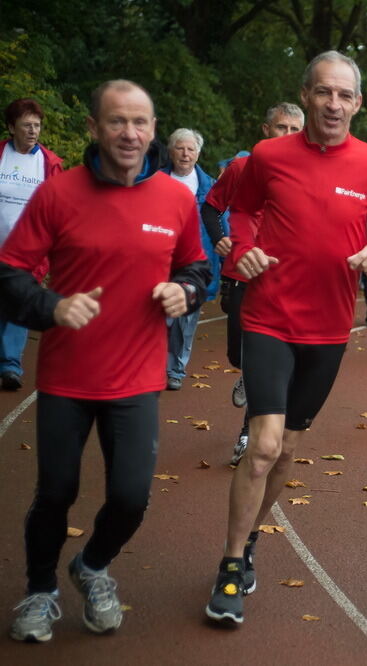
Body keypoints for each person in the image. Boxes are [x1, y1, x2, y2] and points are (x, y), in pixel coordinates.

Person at [0, 80, 209, 642]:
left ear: (153, 129)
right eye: (117, 121)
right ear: (94, 128)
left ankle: (91, 566)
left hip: (137, 377)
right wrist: (51, 306)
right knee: (56, 491)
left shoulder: (175, 198)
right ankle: (40, 589)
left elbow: (198, 268)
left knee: (131, 496)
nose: (130, 133)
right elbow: (9, 274)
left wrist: (185, 293)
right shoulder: (58, 194)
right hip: (68, 377)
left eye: (141, 122)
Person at [204, 50, 367, 625]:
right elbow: (238, 213)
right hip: (268, 316)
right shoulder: (267, 156)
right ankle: (231, 564)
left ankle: (252, 538)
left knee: (287, 449)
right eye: (323, 93)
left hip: (328, 327)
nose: (333, 104)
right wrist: (242, 250)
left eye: (344, 95)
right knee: (263, 445)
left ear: (357, 104)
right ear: (307, 95)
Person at [200, 102, 303, 463]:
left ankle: (248, 433)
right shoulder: (241, 168)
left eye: (294, 130)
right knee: (237, 353)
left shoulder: (307, 172)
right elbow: (211, 207)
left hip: (282, 279)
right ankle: (245, 371)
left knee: (265, 360)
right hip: (240, 273)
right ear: (265, 130)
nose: (287, 136)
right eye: (281, 128)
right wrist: (218, 239)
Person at [0, 98, 63, 391]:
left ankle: (11, 365)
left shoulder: (49, 163)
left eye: (37, 125)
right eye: (26, 125)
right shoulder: (1, 154)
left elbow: (59, 208)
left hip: (28, 253)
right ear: (12, 127)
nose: (33, 131)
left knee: (18, 302)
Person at [162, 128, 216, 391]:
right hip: (159, 258)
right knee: (157, 316)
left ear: (198, 153)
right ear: (170, 151)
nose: (185, 154)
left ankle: (176, 370)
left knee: (186, 319)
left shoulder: (210, 187)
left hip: (194, 262)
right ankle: (152, 365)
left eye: (191, 149)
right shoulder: (154, 180)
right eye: (180, 148)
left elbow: (221, 227)